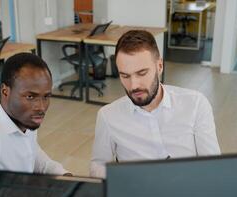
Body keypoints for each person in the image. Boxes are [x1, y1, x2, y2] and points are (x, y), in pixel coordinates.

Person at [90, 30, 220, 178]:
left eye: (142, 73)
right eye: (125, 76)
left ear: (159, 66)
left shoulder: (196, 104)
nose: (133, 86)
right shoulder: (108, 116)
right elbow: (98, 166)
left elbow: (213, 167)